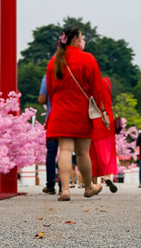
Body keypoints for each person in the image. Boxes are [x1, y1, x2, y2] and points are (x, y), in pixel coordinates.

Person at [44, 27, 105, 201]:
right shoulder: (87, 59)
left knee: (64, 149)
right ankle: (88, 187)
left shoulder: (54, 62)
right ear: (75, 40)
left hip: (60, 112)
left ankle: (64, 190)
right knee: (82, 153)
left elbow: (50, 91)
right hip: (81, 111)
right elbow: (96, 87)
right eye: (81, 38)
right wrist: (102, 111)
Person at [90, 74, 119, 193]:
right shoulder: (107, 82)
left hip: (94, 119)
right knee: (106, 150)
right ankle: (107, 176)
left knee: (92, 153)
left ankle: (94, 184)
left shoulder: (90, 87)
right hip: (108, 121)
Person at [38, 73, 59, 193]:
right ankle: (64, 185)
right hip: (70, 119)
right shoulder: (71, 75)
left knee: (51, 153)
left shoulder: (47, 77)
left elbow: (42, 99)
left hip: (52, 119)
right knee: (67, 150)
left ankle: (50, 185)